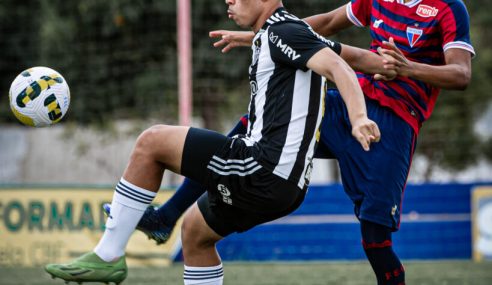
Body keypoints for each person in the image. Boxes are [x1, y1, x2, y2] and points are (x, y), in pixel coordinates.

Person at [105, 0, 475, 284]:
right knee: (257, 123)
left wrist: (410, 68)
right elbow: (326, 24)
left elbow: (460, 73)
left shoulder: (448, 8)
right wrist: (261, 36)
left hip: (393, 125)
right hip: (347, 104)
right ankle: (168, 216)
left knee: (375, 237)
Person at [44, 0, 387, 284]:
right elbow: (352, 57)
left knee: (152, 142)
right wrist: (399, 67)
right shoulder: (287, 32)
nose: (229, 1)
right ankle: (161, 222)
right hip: (285, 186)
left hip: (262, 169)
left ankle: (108, 255)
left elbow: (339, 68)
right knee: (195, 233)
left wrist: (358, 118)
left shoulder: (285, 31)